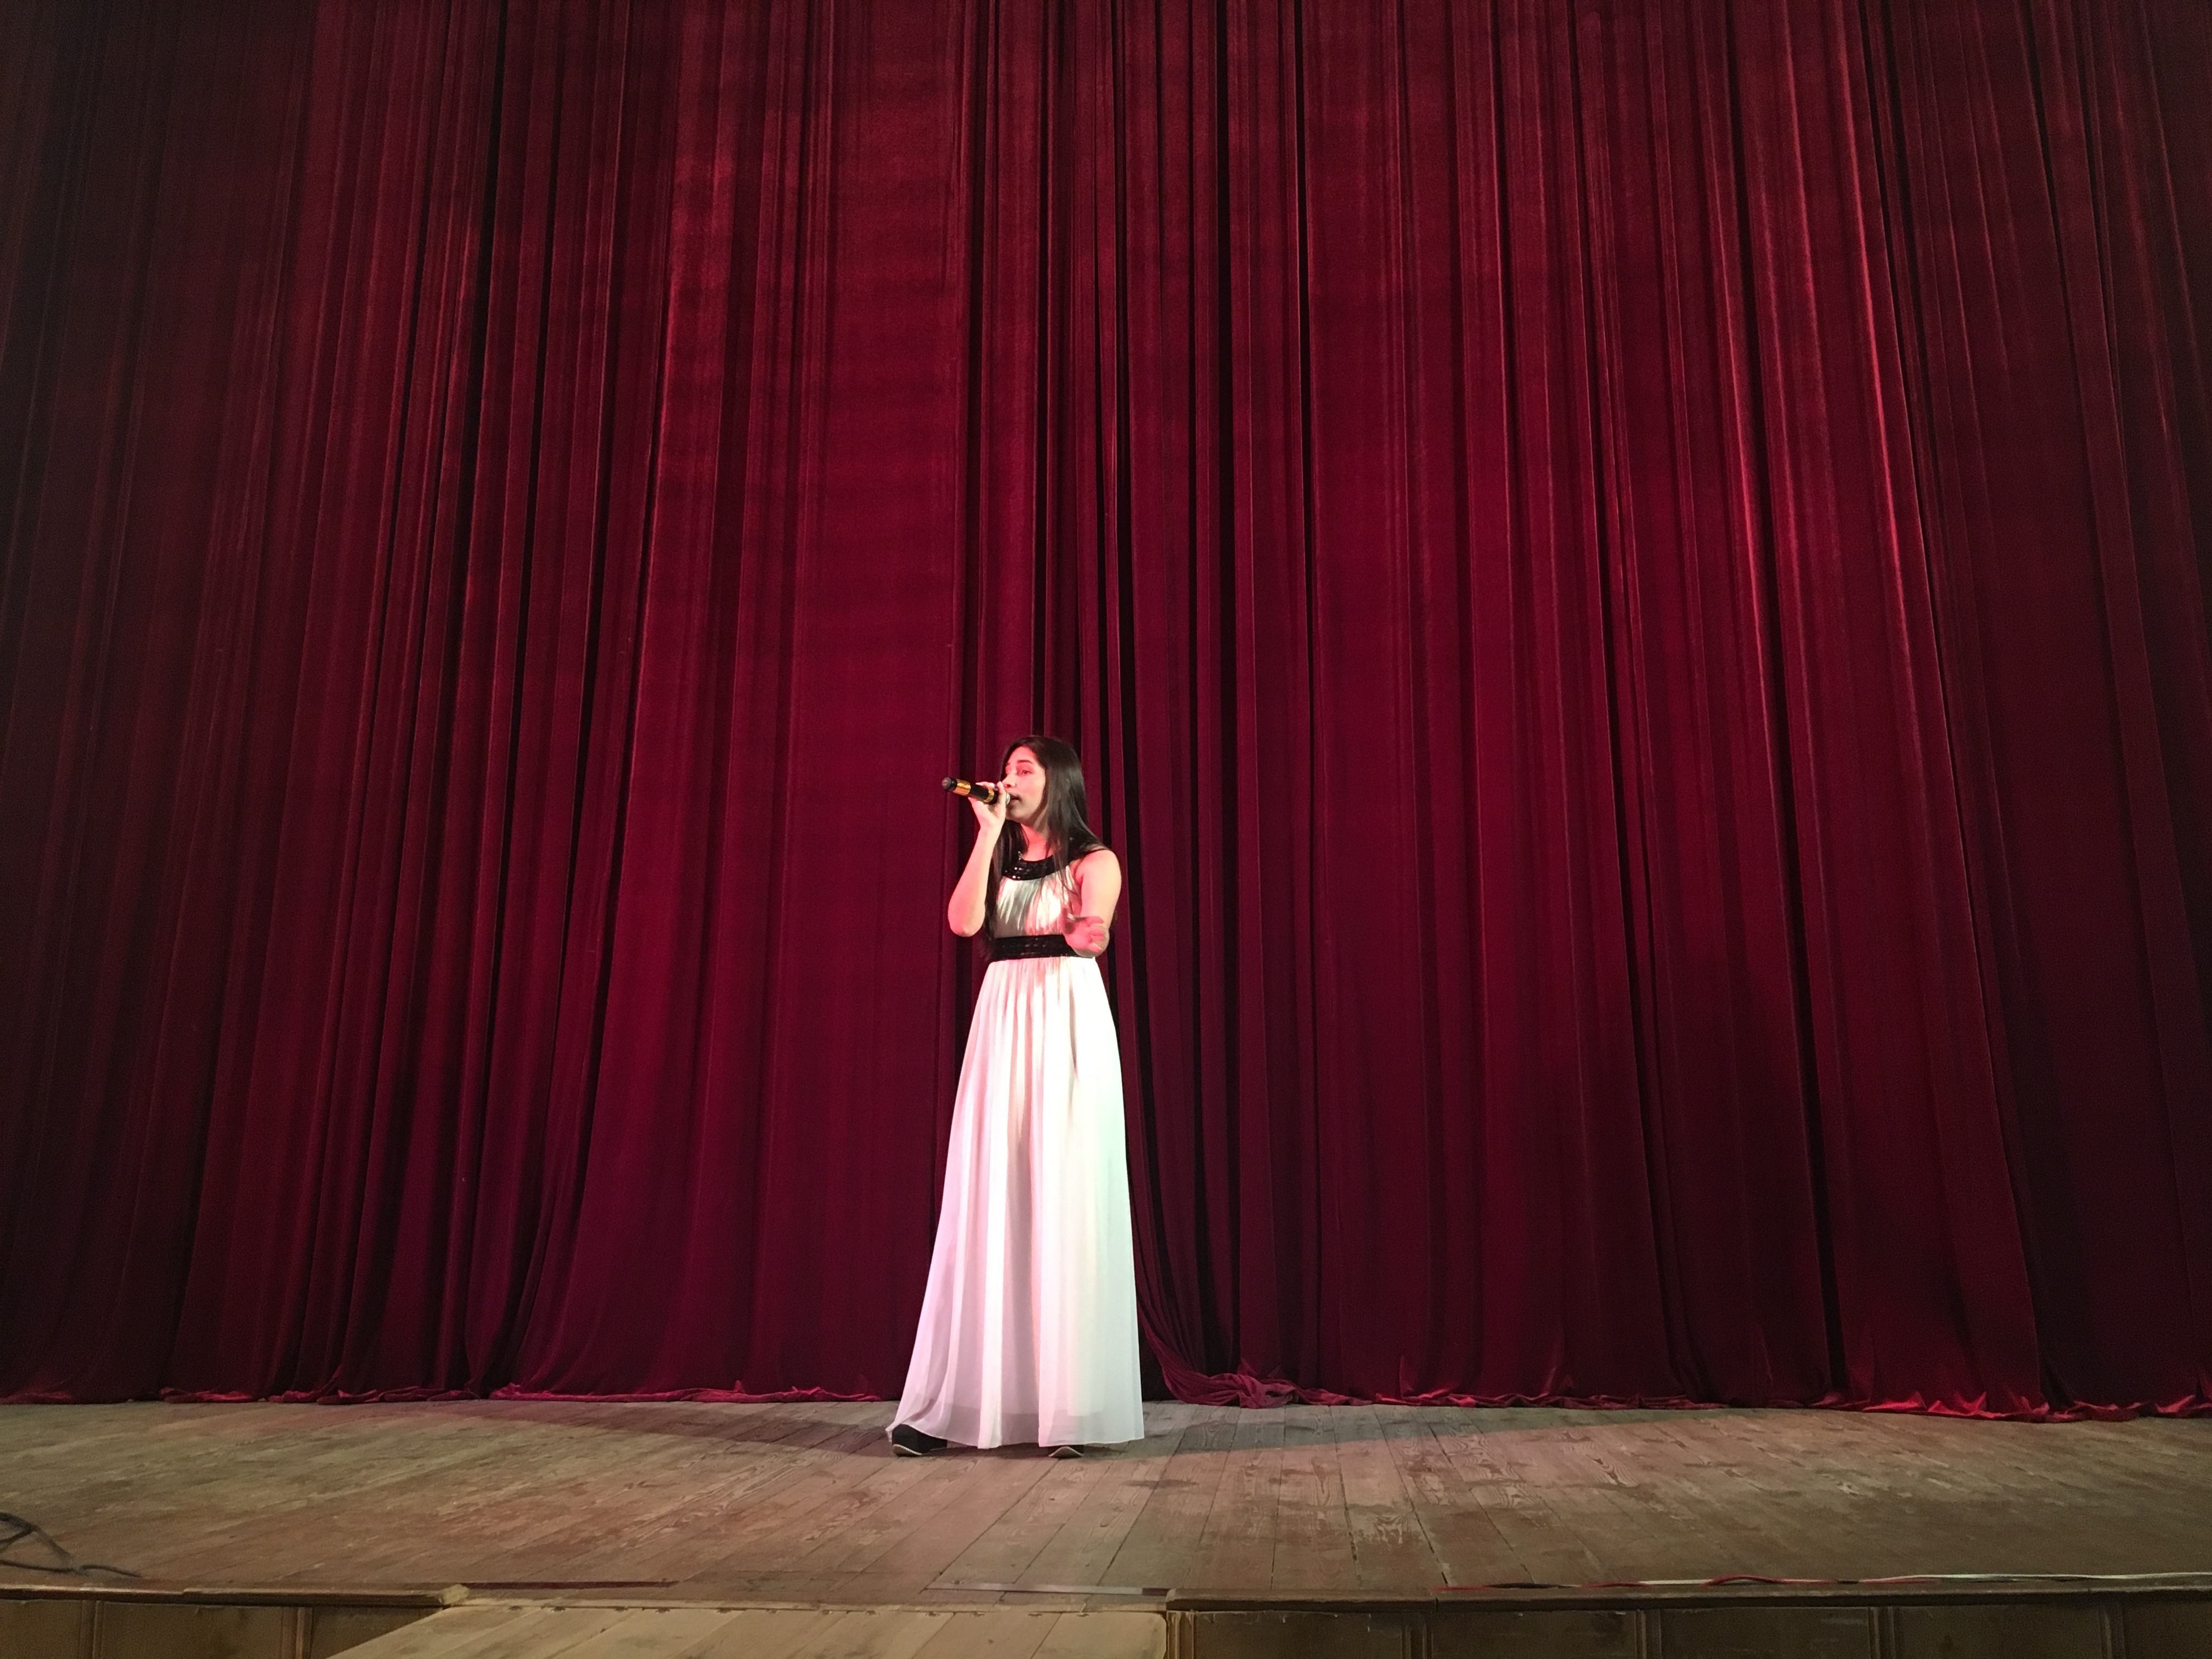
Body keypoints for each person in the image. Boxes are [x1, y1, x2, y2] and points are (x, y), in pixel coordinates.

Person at [888, 736, 1146, 1457]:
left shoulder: (1095, 861)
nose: (1007, 778)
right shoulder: (998, 856)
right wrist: (988, 832)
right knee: (990, 1194)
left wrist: (1087, 931)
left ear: (1058, 779)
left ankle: (1071, 1410)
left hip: (1064, 1017)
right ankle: (956, 1405)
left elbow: (1094, 934)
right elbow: (964, 922)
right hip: (1003, 1019)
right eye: (1006, 770)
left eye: (1023, 769)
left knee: (1064, 1195)